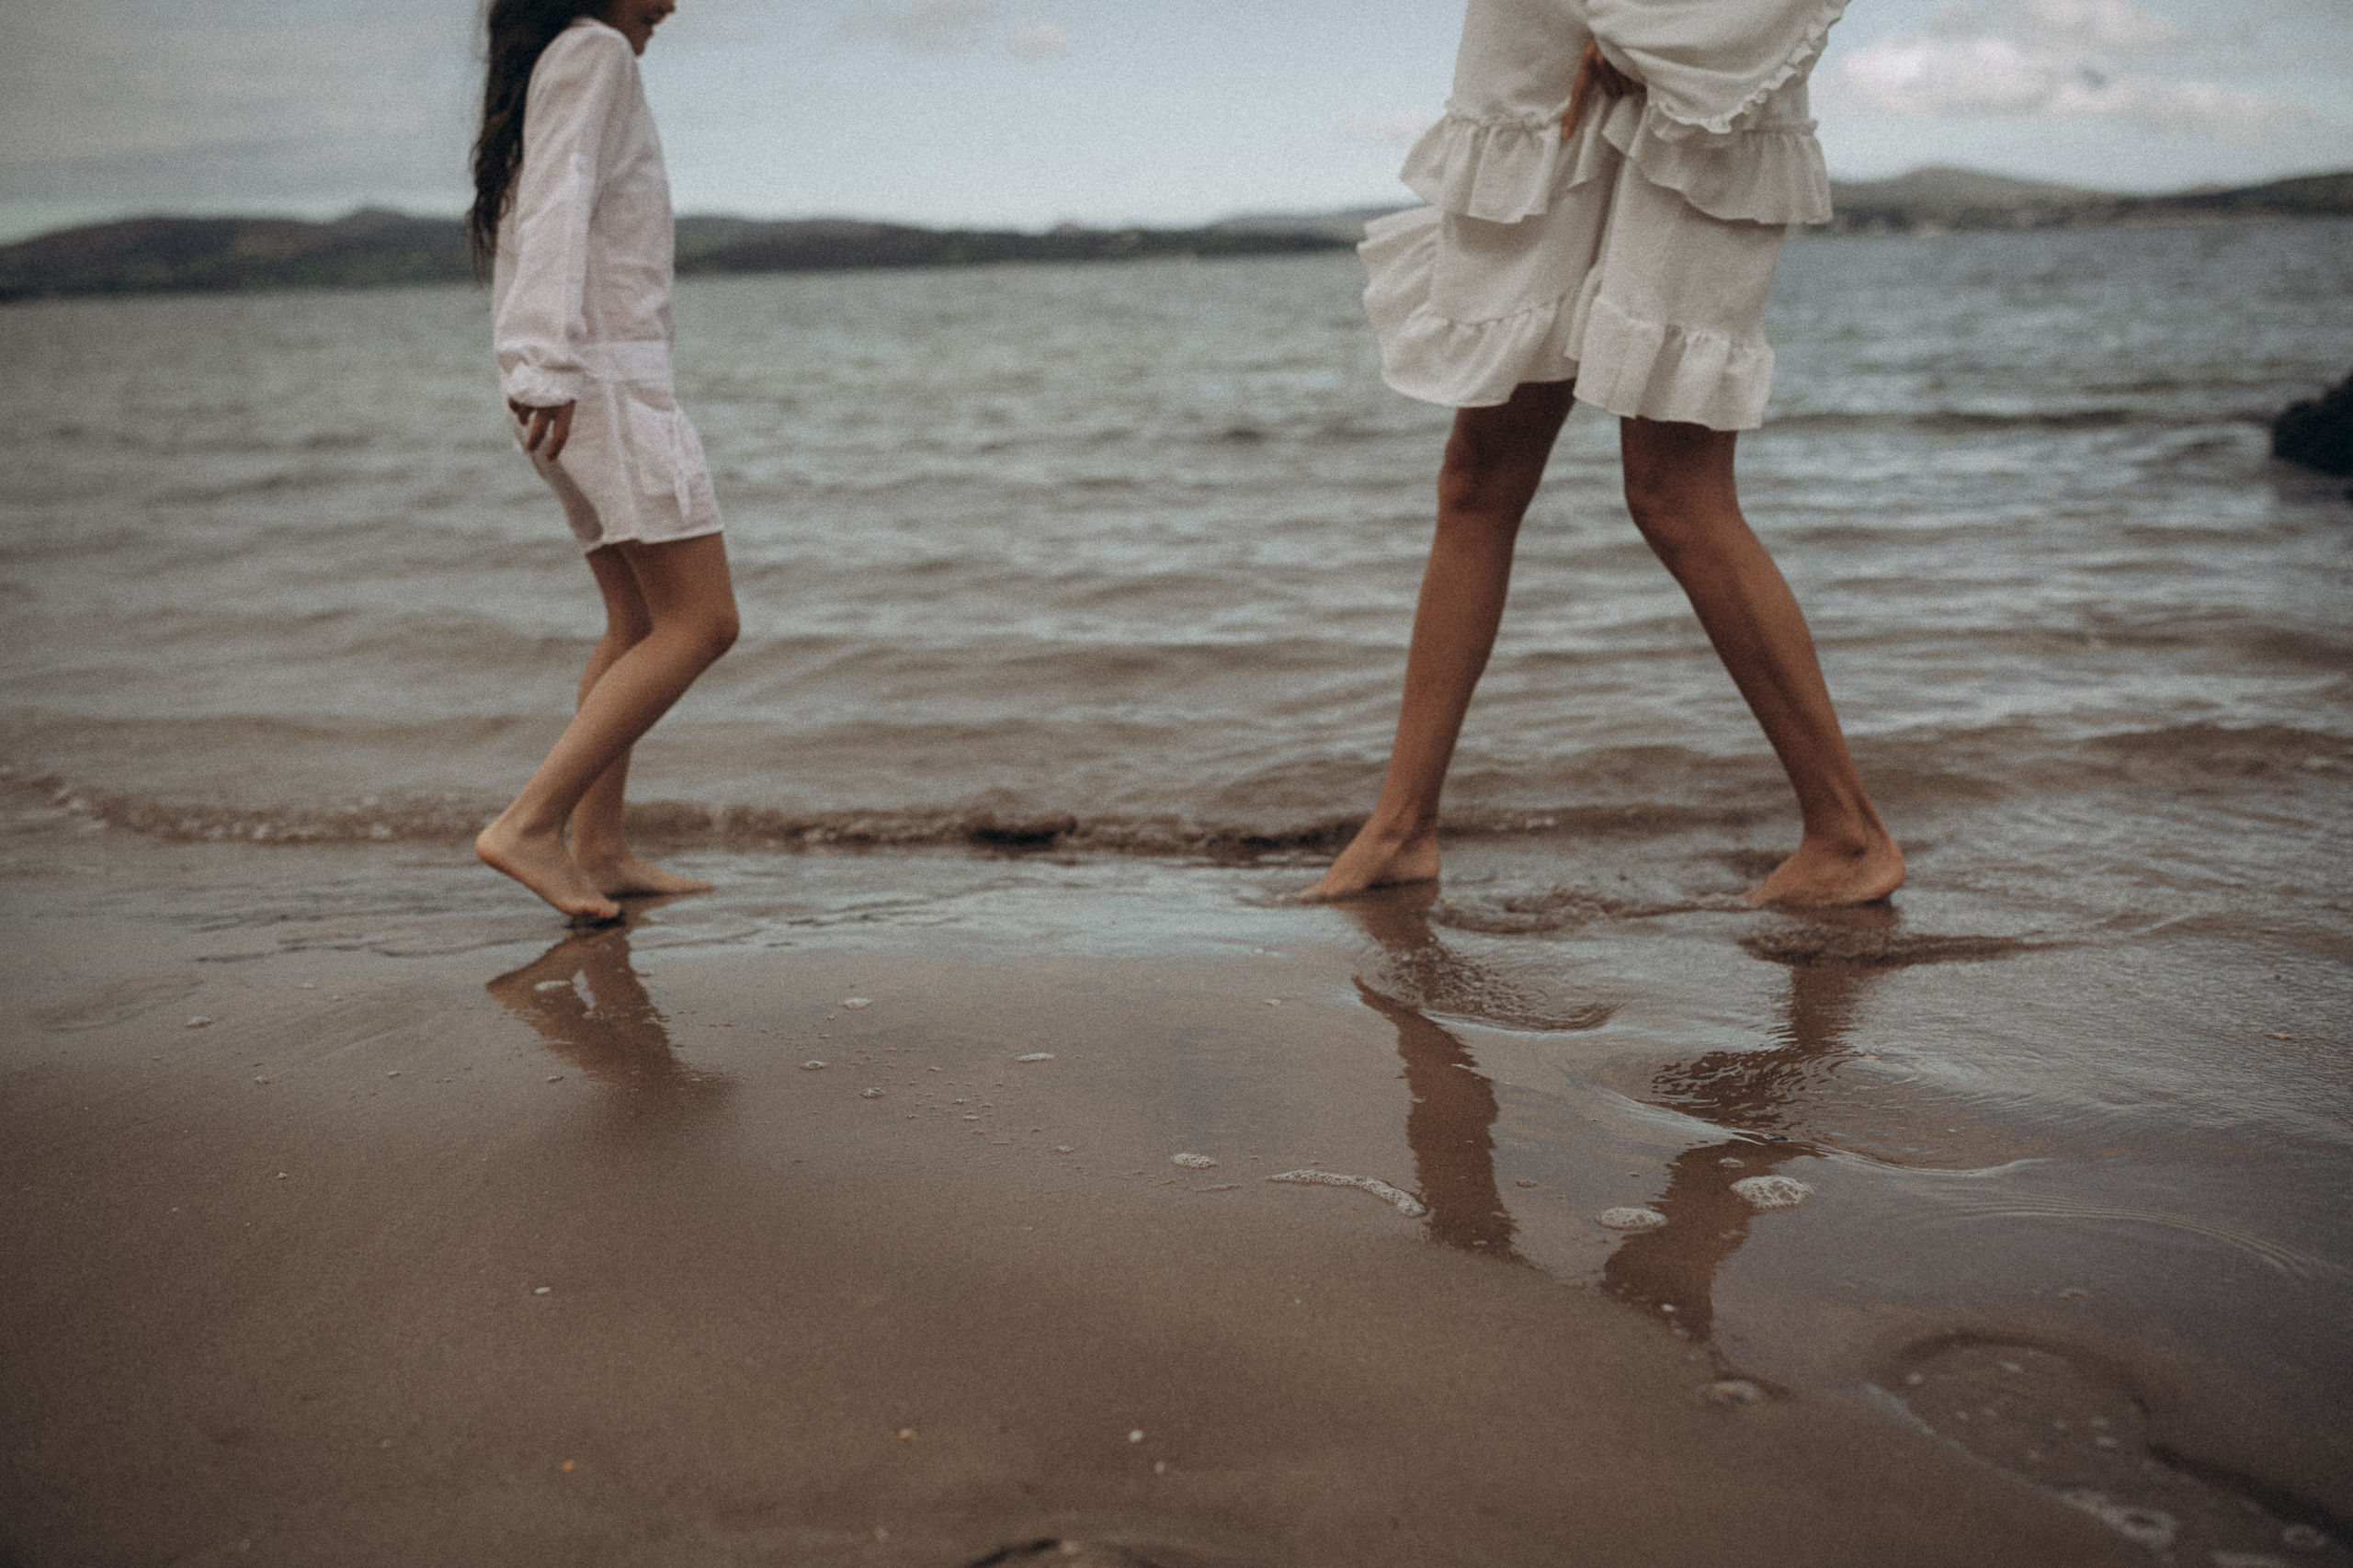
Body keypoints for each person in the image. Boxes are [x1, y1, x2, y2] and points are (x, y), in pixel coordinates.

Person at [1303, 0, 1904, 908]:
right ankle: (1400, 829)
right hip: (1537, 80)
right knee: (1476, 479)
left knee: (1674, 489)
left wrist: (1659, 31)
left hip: (1684, 94)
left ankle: (1849, 834)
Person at [466, 0, 738, 923]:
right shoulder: (592, 54)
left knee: (635, 619)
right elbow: (557, 201)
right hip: (599, 383)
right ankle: (531, 823)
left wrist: (539, 365)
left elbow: (549, 201)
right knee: (701, 622)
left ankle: (602, 845)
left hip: (583, 381)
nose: (672, 3)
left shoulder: (565, 57)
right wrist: (541, 360)